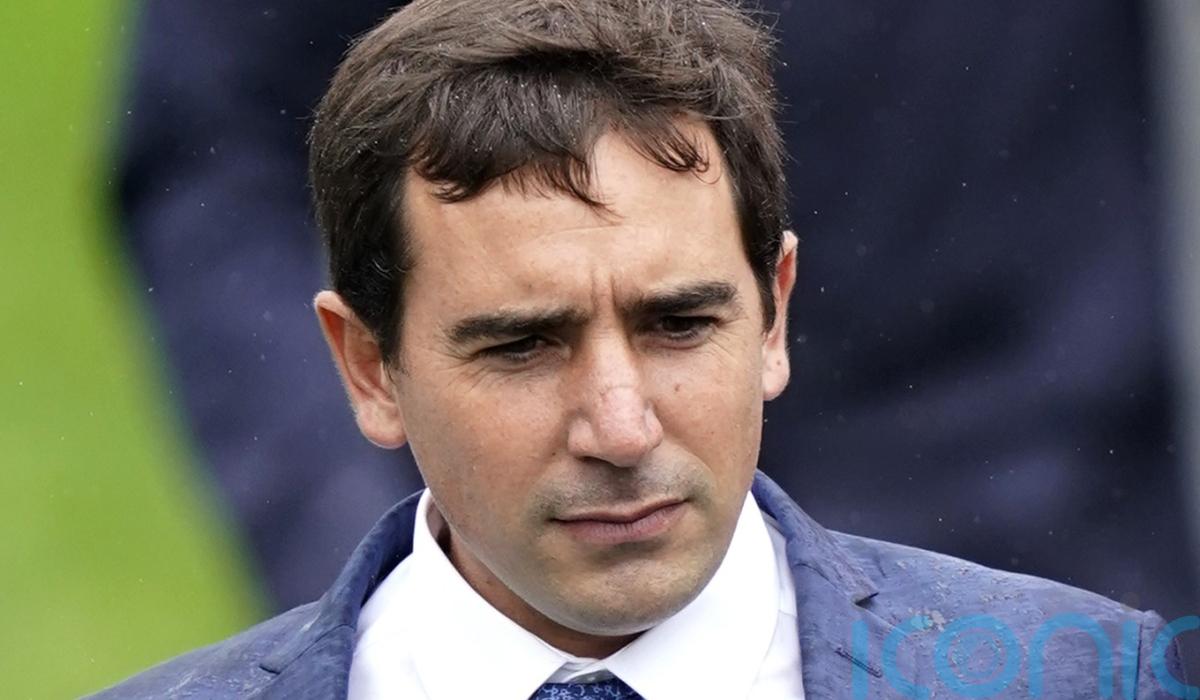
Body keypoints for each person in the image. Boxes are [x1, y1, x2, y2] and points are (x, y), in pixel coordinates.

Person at [93, 0, 1190, 698]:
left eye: (680, 322)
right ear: (369, 368)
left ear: (773, 313)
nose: (622, 428)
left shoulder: (1103, 676)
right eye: (522, 344)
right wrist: (326, 520)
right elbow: (213, 149)